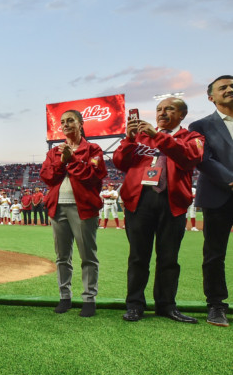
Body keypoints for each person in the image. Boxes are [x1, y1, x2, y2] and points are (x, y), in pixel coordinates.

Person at [113, 97, 203, 323]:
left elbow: (190, 158)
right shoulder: (139, 137)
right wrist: (128, 139)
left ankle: (166, 305)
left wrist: (157, 136)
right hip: (139, 201)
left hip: (172, 203)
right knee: (137, 257)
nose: (162, 113)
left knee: (169, 258)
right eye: (159, 109)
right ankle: (134, 305)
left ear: (182, 115)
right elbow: (119, 162)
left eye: (169, 109)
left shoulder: (192, 138)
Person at [40, 110, 106, 317]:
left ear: (81, 123)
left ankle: (89, 299)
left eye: (70, 120)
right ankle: (65, 297)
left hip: (83, 207)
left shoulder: (93, 149)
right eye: (62, 122)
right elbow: (47, 177)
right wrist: (62, 161)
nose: (66, 124)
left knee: (87, 255)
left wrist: (71, 160)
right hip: (58, 207)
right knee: (62, 257)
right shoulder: (54, 152)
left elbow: (93, 177)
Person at [188, 75, 233, 327]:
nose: (230, 89)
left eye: (232, 85)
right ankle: (216, 305)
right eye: (223, 87)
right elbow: (203, 158)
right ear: (211, 97)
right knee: (215, 254)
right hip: (219, 195)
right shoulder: (200, 125)